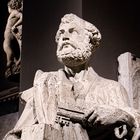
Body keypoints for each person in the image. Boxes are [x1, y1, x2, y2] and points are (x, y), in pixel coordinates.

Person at [3, 13, 140, 140]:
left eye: (72, 31)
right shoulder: (44, 85)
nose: (64, 37)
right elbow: (14, 136)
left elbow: (136, 127)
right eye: (61, 33)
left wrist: (120, 115)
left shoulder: (112, 89)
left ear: (90, 43)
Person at [3, 0, 23, 69]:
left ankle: (10, 61)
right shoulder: (12, 14)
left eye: (8, 7)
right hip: (8, 35)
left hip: (10, 34)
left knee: (6, 46)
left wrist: (15, 25)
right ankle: (14, 61)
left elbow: (22, 16)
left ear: (10, 7)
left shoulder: (14, 12)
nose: (8, 9)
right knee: (6, 46)